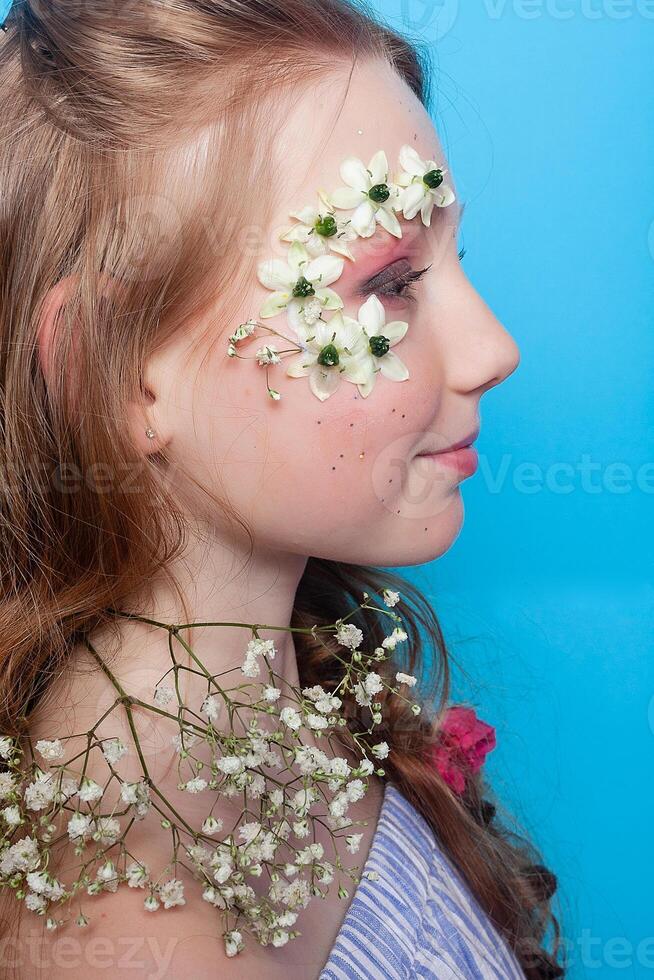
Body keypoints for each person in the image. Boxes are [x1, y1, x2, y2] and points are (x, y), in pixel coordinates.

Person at [0, 1, 564, 977]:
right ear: (113, 367)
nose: (493, 349)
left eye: (450, 262)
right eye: (388, 280)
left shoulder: (308, 723)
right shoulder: (127, 926)